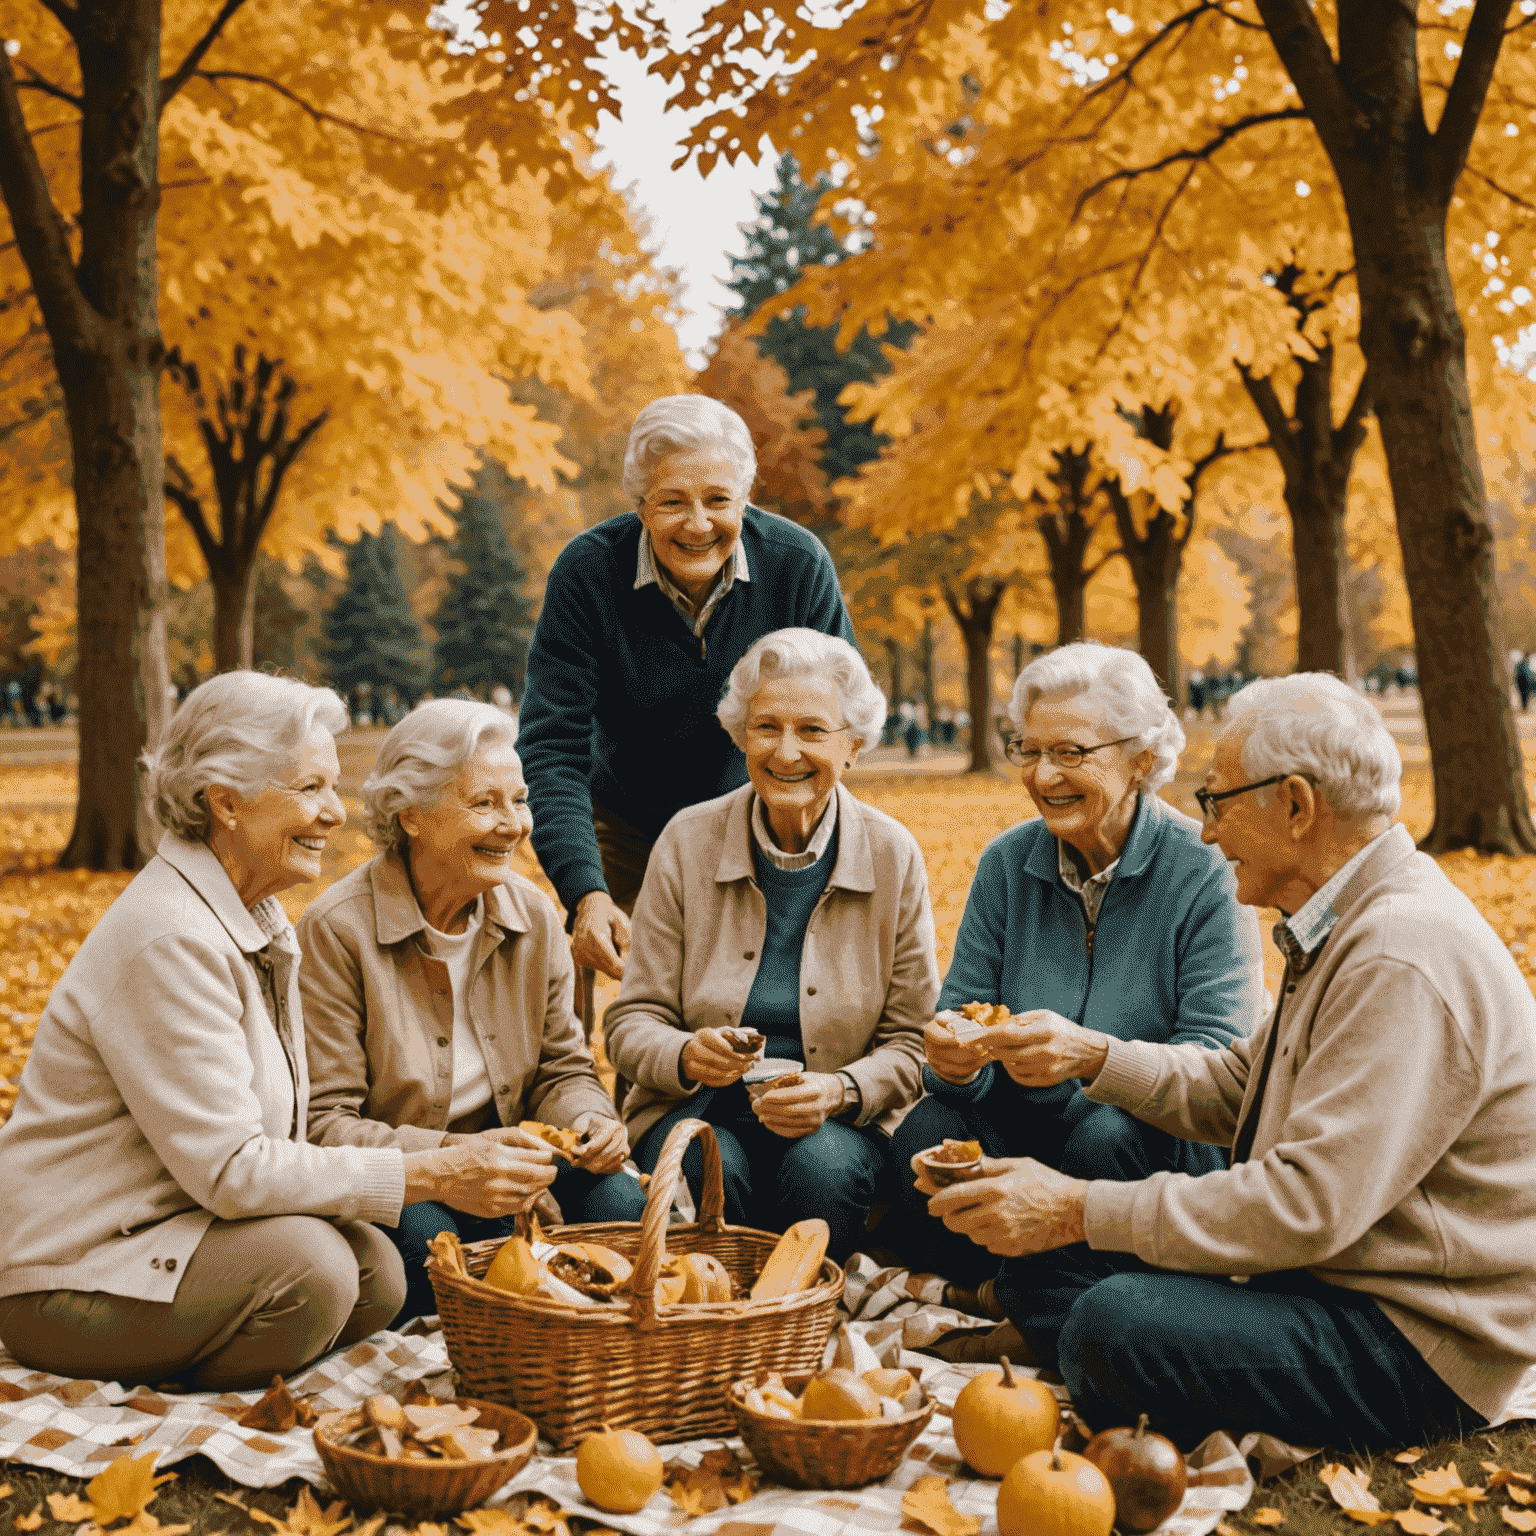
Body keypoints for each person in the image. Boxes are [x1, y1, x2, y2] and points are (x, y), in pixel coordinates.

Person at [916, 673, 1536, 1451]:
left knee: (1111, 1324)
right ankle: (1070, 1337)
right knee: (1050, 1271)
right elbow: (1242, 1084)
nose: (1207, 832)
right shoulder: (1352, 920)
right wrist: (1092, 1055)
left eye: (1221, 802)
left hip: (1414, 1343)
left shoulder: (1399, 954)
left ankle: (1087, 1350)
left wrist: (1076, 1206)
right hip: (1324, 1282)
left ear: (1298, 805)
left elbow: (1305, 1207)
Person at [0, 673, 553, 1389]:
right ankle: (185, 1400)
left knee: (377, 1272)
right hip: (75, 1269)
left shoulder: (253, 920)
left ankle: (224, 1360)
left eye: (331, 787)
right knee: (314, 1273)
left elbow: (275, 1141)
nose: (336, 812)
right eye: (309, 789)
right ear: (225, 801)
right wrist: (439, 1170)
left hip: (182, 1230)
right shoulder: (171, 939)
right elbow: (234, 1171)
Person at [891, 642, 1262, 1318]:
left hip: (1144, 1148)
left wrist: (1094, 1059)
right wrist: (954, 1061)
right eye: (1029, 751)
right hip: (1024, 1140)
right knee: (928, 1128)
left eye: (1071, 752)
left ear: (1142, 759)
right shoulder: (1006, 864)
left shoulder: (1203, 871)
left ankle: (1022, 1303)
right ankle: (1032, 1298)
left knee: (1106, 1135)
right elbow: (958, 1028)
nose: (1043, 775)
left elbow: (1220, 1056)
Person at [299, 701, 646, 1323]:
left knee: (619, 1199)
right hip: (408, 1178)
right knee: (428, 1243)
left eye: (520, 801)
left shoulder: (535, 919)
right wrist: (455, 1162)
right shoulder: (337, 931)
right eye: (484, 804)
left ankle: (592, 1351)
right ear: (412, 816)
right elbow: (325, 1125)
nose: (513, 825)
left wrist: (591, 1121)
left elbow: (563, 1070)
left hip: (518, 1162)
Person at [605, 630, 938, 1260]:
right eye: (767, 727)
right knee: (711, 1167)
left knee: (825, 1170)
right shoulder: (686, 841)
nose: (787, 751)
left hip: (838, 1119)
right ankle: (721, 1329)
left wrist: (840, 1090)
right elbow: (630, 1022)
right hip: (696, 1107)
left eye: (813, 731)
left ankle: (802, 1322)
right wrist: (684, 1055)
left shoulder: (892, 854)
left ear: (854, 748)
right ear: (741, 736)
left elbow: (915, 1041)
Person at [517, 396, 856, 992]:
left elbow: (843, 718)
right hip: (621, 814)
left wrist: (790, 845)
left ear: (745, 499)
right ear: (640, 504)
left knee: (737, 1000)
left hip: (753, 812)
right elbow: (551, 744)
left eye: (718, 500)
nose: (698, 524)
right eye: (672, 501)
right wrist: (586, 892)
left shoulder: (796, 564)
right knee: (588, 984)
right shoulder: (589, 572)